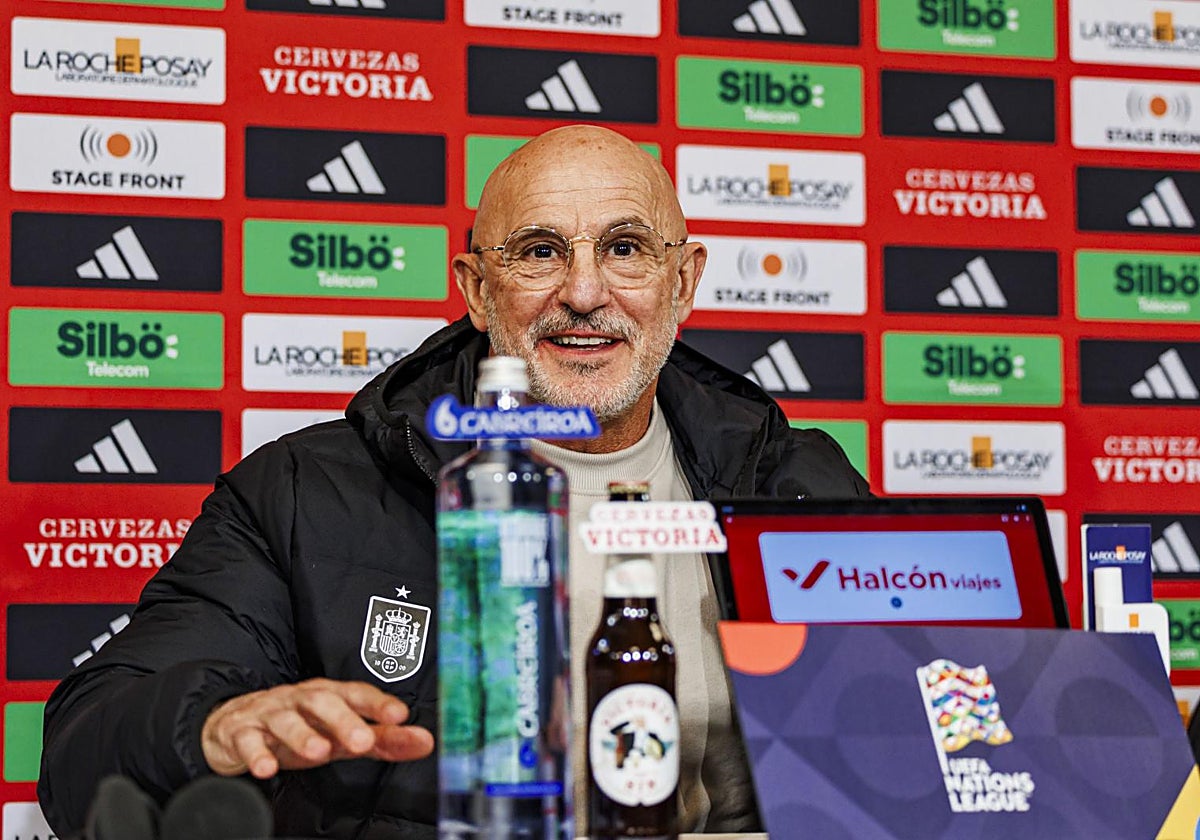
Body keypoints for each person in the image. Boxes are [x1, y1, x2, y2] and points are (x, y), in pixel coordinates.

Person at [38, 125, 869, 839]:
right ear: (477, 289)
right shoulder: (304, 493)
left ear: (682, 282)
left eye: (625, 249)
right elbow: (84, 751)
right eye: (540, 252)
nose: (584, 293)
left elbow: (921, 743)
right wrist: (210, 730)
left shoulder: (798, 486)